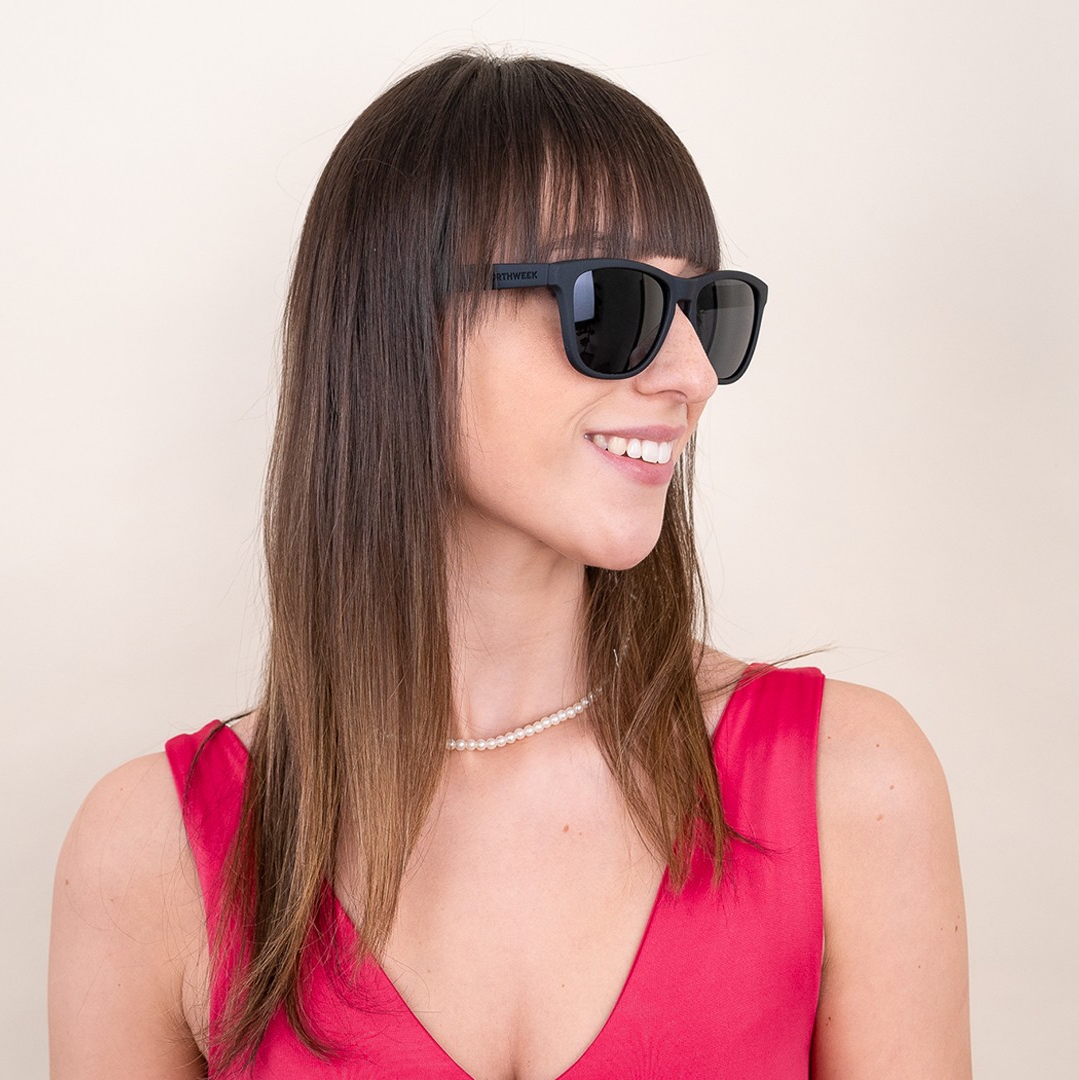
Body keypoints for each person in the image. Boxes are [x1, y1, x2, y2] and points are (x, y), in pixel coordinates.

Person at [48, 49, 970, 1079]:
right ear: (404, 326)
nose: (692, 374)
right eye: (613, 306)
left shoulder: (851, 787)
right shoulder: (152, 855)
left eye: (706, 310)